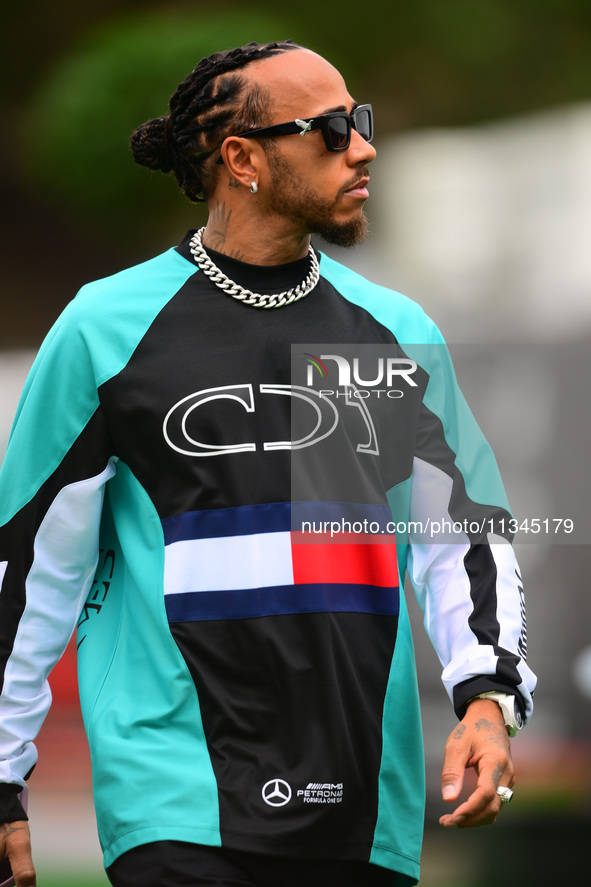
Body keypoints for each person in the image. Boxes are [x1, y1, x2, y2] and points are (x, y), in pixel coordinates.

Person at [0, 40, 536, 887]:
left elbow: (462, 532)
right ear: (241, 160)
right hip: (175, 791)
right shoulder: (103, 327)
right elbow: (31, 566)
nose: (361, 146)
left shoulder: (391, 328)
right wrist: (2, 775)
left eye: (359, 121)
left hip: (364, 792)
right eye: (328, 129)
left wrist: (486, 697)